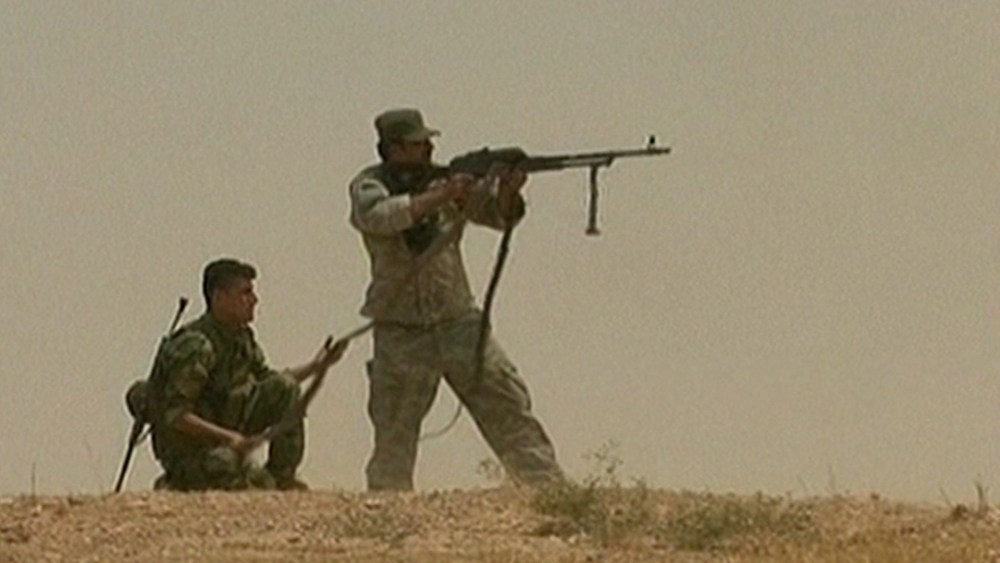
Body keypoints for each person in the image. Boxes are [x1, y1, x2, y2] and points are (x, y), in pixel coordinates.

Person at [348, 108, 564, 491]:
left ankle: (546, 490)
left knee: (506, 403)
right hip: (402, 329)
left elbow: (498, 217)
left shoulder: (447, 182)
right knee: (395, 428)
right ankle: (387, 508)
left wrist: (507, 192)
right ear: (394, 149)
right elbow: (380, 218)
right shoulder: (370, 185)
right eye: (417, 143)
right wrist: (440, 196)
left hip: (457, 321)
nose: (428, 149)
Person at [146, 258, 347, 491]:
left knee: (286, 388)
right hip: (196, 453)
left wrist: (317, 366)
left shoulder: (241, 338)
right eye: (245, 293)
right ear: (219, 298)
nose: (254, 300)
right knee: (231, 468)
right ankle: (176, 482)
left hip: (227, 440)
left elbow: (271, 382)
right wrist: (229, 437)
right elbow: (177, 415)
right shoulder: (197, 346)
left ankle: (282, 477)